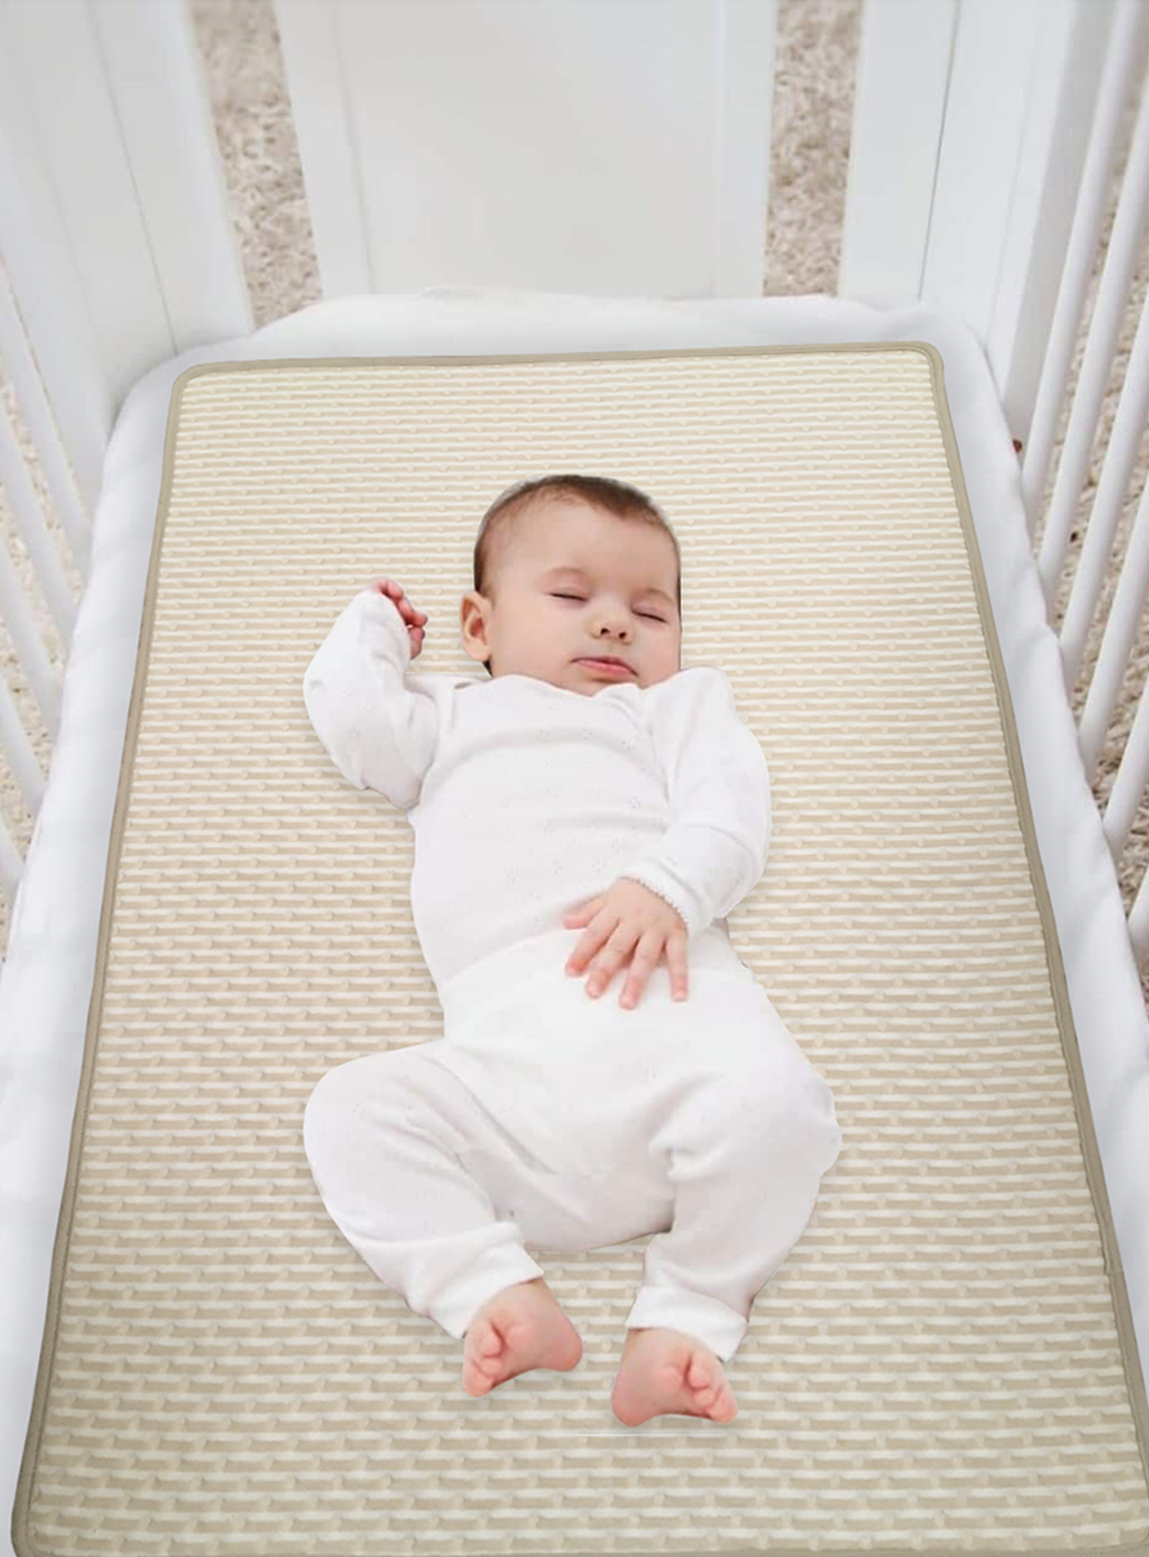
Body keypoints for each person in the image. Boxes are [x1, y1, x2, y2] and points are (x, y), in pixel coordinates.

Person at [301, 472, 843, 1425]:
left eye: (651, 610)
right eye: (568, 595)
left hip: (680, 1031)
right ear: (480, 627)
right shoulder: (446, 717)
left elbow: (730, 813)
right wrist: (373, 628)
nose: (613, 624)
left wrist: (666, 886)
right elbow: (353, 721)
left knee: (784, 1111)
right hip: (508, 1082)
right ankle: (492, 1293)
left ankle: (690, 1311)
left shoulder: (671, 710)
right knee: (350, 1112)